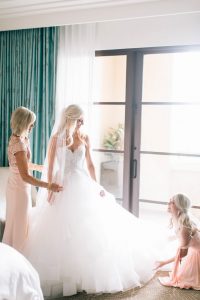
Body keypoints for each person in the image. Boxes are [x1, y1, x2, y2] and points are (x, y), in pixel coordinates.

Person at [23, 104, 166, 297]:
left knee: (89, 230)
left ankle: (84, 277)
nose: (82, 123)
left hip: (82, 184)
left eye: (83, 120)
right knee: (61, 231)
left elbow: (89, 164)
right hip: (62, 184)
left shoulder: (84, 137)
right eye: (80, 120)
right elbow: (50, 166)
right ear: (71, 119)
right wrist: (49, 187)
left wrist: (96, 186)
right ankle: (68, 277)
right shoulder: (56, 138)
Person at [2, 106, 63, 253]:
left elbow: (24, 165)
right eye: (31, 123)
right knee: (19, 225)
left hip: (17, 186)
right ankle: (17, 256)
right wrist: (48, 185)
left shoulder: (20, 138)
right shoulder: (19, 144)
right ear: (23, 123)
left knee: (17, 223)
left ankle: (11, 254)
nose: (33, 126)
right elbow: (25, 176)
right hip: (18, 189)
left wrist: (42, 167)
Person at [155, 193, 200, 290]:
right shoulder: (177, 219)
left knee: (184, 280)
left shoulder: (184, 227)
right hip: (195, 250)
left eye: (172, 202)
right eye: (169, 201)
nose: (169, 203)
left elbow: (183, 254)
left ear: (179, 207)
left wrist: (164, 262)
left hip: (197, 252)